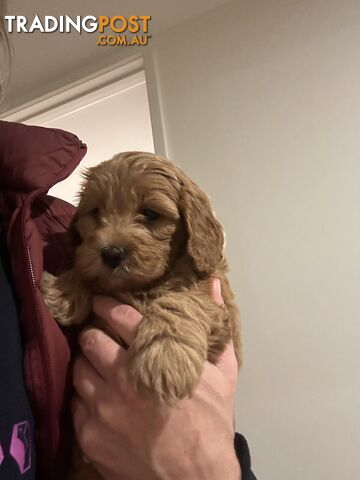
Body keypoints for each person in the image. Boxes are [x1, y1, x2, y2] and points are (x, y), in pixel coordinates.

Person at [0, 5, 256, 480]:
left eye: (151, 216)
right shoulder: (53, 247)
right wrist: (76, 286)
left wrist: (176, 316)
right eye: (96, 215)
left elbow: (217, 319)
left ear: (192, 227)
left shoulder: (39, 225)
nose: (109, 239)